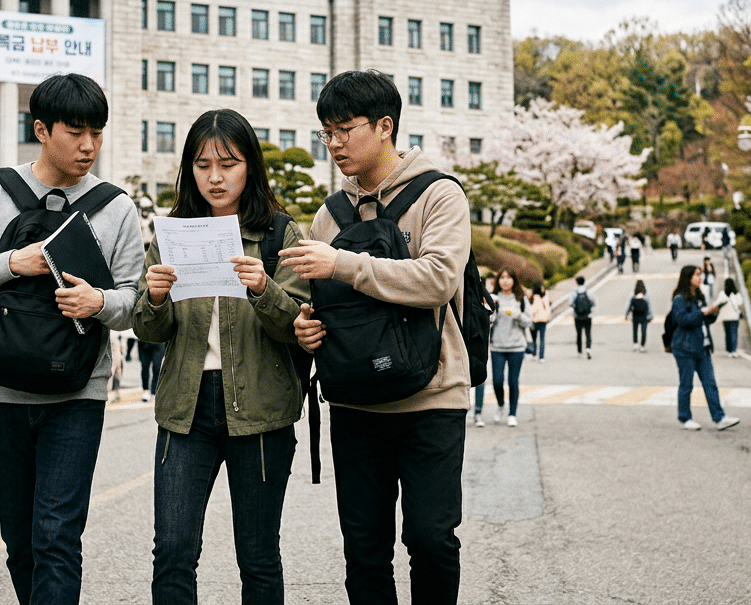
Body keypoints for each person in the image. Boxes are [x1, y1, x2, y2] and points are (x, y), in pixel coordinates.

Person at [0, 72, 143, 604]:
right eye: (76, 132)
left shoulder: (114, 206)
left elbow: (136, 304)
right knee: (20, 541)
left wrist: (98, 303)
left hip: (76, 396)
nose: (89, 145)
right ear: (41, 129)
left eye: (96, 132)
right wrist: (13, 262)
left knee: (56, 536)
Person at [284, 69, 471, 605]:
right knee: (364, 548)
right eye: (327, 133)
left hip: (432, 395)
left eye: (345, 130)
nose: (335, 144)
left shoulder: (439, 194)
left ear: (385, 126)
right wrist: (305, 326)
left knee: (431, 538)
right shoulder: (330, 214)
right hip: (355, 401)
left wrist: (343, 262)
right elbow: (319, 301)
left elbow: (438, 279)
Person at [135, 109, 308, 604]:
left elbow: (297, 326)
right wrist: (155, 297)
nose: (214, 176)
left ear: (249, 165)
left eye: (228, 163)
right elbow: (149, 330)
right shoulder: (171, 235)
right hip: (185, 410)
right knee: (172, 552)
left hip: (260, 412)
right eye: (202, 164)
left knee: (257, 555)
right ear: (189, 169)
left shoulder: (278, 234)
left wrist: (263, 287)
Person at [669, 265, 740, 432]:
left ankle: (719, 417)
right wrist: (703, 313)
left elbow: (703, 321)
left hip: (703, 346)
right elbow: (682, 320)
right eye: (696, 275)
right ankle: (685, 418)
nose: (700, 278)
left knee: (711, 383)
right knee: (686, 385)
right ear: (687, 278)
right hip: (685, 348)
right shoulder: (679, 298)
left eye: (700, 275)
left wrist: (712, 313)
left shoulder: (699, 297)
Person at [477, 268, 530, 427]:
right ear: (498, 280)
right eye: (502, 277)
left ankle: (512, 414)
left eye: (509, 277)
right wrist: (491, 314)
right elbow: (485, 321)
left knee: (513, 382)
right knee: (497, 381)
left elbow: (529, 322)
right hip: (497, 346)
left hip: (516, 346)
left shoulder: (521, 299)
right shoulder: (493, 299)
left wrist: (518, 315)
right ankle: (500, 405)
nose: (505, 280)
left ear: (514, 280)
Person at [714, 278, 744, 358]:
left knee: (727, 334)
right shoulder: (736, 294)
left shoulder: (722, 294)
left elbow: (717, 303)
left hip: (725, 317)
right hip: (734, 317)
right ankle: (734, 350)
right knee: (734, 334)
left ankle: (729, 350)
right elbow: (740, 302)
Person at [624, 279, 653, 353]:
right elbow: (649, 305)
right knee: (644, 331)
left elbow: (629, 305)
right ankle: (642, 346)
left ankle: (635, 344)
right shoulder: (646, 294)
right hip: (644, 316)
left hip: (635, 315)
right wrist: (651, 315)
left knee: (635, 330)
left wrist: (626, 314)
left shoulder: (633, 293)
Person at [571, 275, 596, 359]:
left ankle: (579, 351)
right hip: (587, 316)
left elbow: (570, 303)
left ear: (577, 283)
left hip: (577, 316)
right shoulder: (588, 292)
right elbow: (593, 302)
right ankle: (588, 348)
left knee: (579, 334)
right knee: (588, 333)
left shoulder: (574, 292)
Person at [527, 281, 551, 361]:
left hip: (534, 321)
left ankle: (534, 354)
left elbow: (532, 311)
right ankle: (541, 357)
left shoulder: (534, 298)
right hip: (543, 321)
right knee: (542, 339)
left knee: (534, 339)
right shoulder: (545, 297)